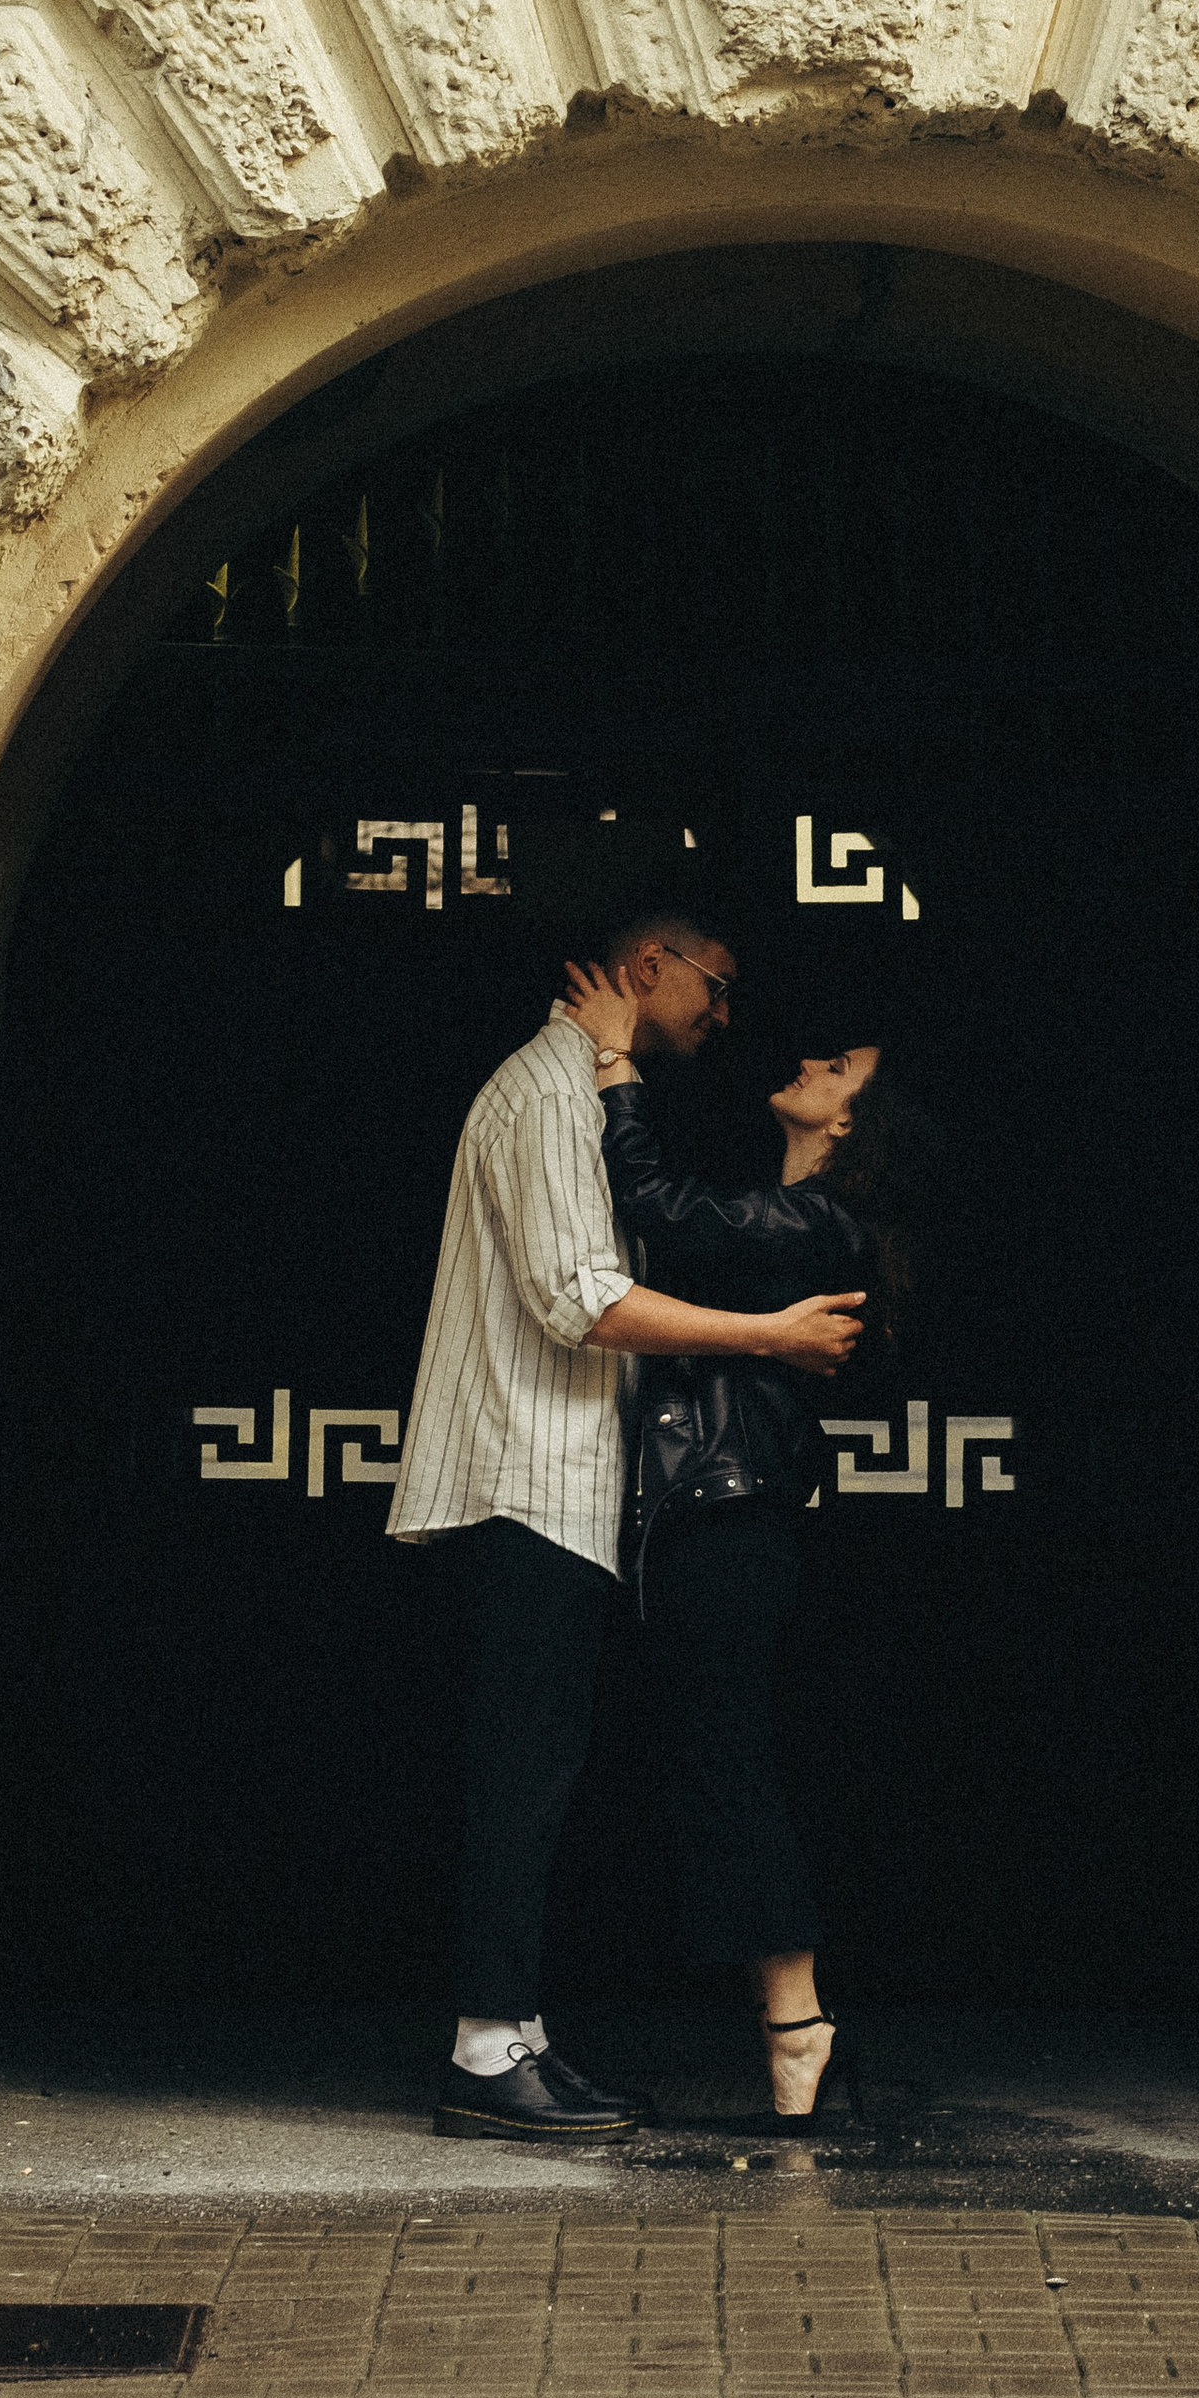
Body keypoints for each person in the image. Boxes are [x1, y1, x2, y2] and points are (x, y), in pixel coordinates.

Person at [386, 909, 867, 2144]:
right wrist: (768, 1337)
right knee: (521, 1772)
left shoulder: (581, 1090)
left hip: (556, 1482)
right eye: (714, 982)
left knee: (539, 1769)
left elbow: (658, 1217)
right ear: (648, 969)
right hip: (526, 1477)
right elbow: (577, 1299)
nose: (724, 1011)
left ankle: (517, 2037)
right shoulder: (549, 1092)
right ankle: (487, 2051)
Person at [560, 957, 941, 2130]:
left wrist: (615, 1059)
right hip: (722, 1522)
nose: (812, 1065)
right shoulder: (789, 1224)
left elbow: (660, 1217)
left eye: (839, 1072)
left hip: (726, 1525)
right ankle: (788, 2020)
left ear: (850, 1124)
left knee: (726, 1767)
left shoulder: (817, 1225)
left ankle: (796, 2023)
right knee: (712, 1765)